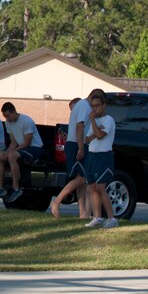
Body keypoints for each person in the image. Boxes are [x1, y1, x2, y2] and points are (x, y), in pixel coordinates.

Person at [51, 94, 95, 218]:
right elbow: (79, 127)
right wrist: (81, 148)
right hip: (78, 145)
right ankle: (57, 201)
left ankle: (83, 213)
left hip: (79, 145)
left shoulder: (83, 107)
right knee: (81, 179)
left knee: (82, 180)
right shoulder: (83, 106)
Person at [0, 102, 43, 203]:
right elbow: (13, 143)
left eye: (8, 116)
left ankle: (16, 188)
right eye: (5, 116)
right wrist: (7, 152)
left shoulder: (26, 121)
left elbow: (27, 143)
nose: (7, 119)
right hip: (21, 147)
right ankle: (0, 188)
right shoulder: (8, 123)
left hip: (34, 148)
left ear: (14, 112)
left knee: (11, 156)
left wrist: (11, 152)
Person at [83, 89, 119, 229]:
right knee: (91, 187)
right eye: (92, 106)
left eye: (97, 106)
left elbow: (99, 135)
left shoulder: (108, 120)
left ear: (103, 105)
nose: (94, 109)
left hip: (103, 156)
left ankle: (111, 218)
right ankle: (97, 217)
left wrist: (93, 123)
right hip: (92, 155)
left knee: (100, 187)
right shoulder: (96, 122)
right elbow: (87, 139)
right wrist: (95, 127)